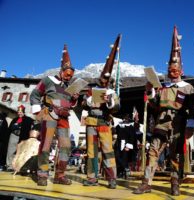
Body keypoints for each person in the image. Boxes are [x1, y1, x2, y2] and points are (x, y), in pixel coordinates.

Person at [133, 26, 194, 196]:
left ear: (181, 71)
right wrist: (149, 91)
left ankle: (175, 183)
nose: (172, 73)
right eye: (169, 70)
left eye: (175, 70)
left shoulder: (189, 88)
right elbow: (154, 105)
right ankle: (146, 183)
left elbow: (193, 110)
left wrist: (191, 126)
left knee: (176, 156)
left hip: (179, 125)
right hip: (162, 124)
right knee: (152, 152)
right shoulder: (162, 88)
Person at [30, 44, 79, 186]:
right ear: (61, 70)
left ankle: (60, 175)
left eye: (71, 75)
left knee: (66, 146)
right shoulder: (48, 80)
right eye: (67, 74)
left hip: (64, 118)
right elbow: (35, 94)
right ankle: (42, 174)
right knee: (46, 145)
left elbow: (70, 104)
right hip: (50, 114)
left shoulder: (70, 87)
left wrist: (74, 99)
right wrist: (38, 112)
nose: (69, 77)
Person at [81, 34, 121, 188]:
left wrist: (109, 100)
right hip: (91, 123)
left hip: (104, 122)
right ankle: (92, 178)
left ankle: (112, 178)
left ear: (109, 81)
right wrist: (89, 100)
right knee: (91, 151)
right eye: (102, 79)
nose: (103, 81)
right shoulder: (91, 90)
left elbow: (117, 107)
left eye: (106, 80)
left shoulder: (112, 93)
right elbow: (84, 104)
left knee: (107, 150)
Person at [6, 105, 34, 172]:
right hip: (13, 136)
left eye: (21, 112)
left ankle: (18, 166)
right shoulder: (15, 119)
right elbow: (10, 128)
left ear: (23, 112)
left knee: (20, 152)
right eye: (18, 112)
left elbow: (31, 127)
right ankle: (9, 166)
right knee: (10, 151)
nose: (19, 113)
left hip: (22, 137)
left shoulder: (28, 119)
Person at [114, 113, 135, 179]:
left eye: (126, 117)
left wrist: (128, 146)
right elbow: (115, 132)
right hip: (119, 144)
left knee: (124, 159)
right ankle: (120, 172)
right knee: (117, 157)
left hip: (126, 144)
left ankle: (125, 171)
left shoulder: (131, 127)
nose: (124, 118)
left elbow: (132, 137)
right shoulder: (119, 126)